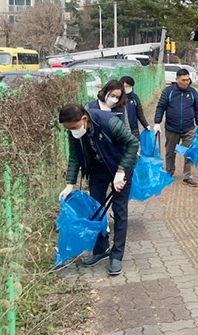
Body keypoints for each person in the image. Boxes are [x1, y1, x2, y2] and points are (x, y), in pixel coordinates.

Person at [57, 104, 139, 276]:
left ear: (84, 119)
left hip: (119, 167)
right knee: (96, 209)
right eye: (68, 129)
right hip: (97, 170)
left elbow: (132, 143)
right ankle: (101, 249)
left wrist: (122, 170)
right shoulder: (74, 131)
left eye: (73, 127)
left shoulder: (109, 122)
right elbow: (74, 156)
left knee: (119, 210)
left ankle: (116, 255)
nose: (71, 131)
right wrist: (70, 183)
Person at [153, 68, 198, 187]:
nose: (185, 82)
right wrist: (157, 122)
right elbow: (160, 107)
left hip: (188, 128)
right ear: (176, 79)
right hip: (172, 128)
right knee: (170, 152)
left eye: (187, 80)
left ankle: (187, 176)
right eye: (183, 80)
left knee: (189, 152)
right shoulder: (168, 92)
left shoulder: (192, 92)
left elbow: (197, 108)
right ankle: (169, 171)